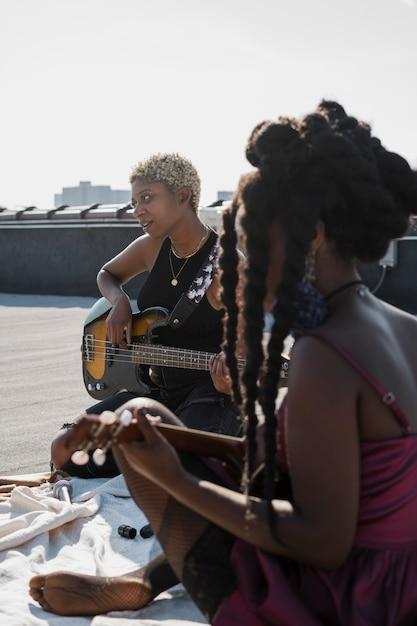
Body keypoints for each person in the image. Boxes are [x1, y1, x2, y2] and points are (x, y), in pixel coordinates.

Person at [30, 101, 417, 625]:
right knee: (148, 422)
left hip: (348, 596)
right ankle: (141, 579)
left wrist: (179, 479)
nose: (239, 261)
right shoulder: (399, 325)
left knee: (167, 464)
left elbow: (320, 541)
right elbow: (310, 468)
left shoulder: (324, 356)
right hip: (394, 572)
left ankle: (144, 581)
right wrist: (173, 440)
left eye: (249, 240)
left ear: (314, 235)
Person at [50, 152, 242, 476]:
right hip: (154, 393)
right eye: (134, 201)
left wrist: (232, 371)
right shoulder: (151, 247)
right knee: (67, 447)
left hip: (209, 397)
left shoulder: (227, 265)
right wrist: (120, 301)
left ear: (182, 196)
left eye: (147, 198)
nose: (137, 210)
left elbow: (248, 340)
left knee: (173, 465)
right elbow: (107, 274)